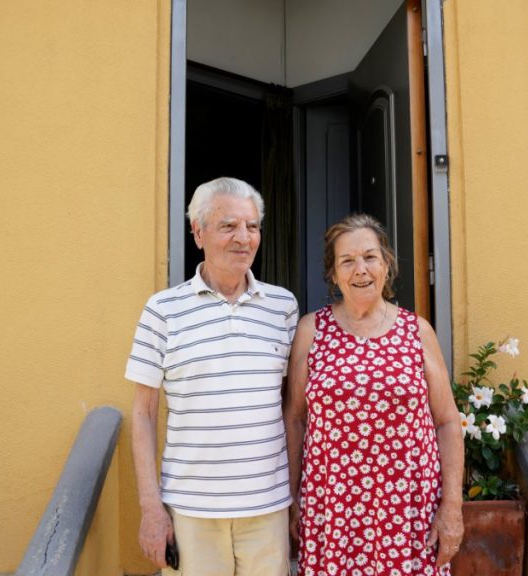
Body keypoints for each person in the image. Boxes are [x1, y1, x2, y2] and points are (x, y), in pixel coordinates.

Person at [126, 177, 298, 576]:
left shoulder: (283, 307)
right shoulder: (162, 310)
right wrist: (152, 509)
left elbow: (293, 410)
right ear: (197, 232)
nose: (244, 238)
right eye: (228, 226)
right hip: (190, 512)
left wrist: (294, 498)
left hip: (267, 511)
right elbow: (142, 414)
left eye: (252, 226)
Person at [283, 213, 465, 576]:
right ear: (333, 274)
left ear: (386, 264)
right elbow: (295, 419)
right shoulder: (311, 330)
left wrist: (452, 507)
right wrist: (292, 499)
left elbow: (446, 421)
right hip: (332, 509)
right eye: (347, 261)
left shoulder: (418, 331)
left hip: (409, 510)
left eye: (369, 257)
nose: (360, 270)